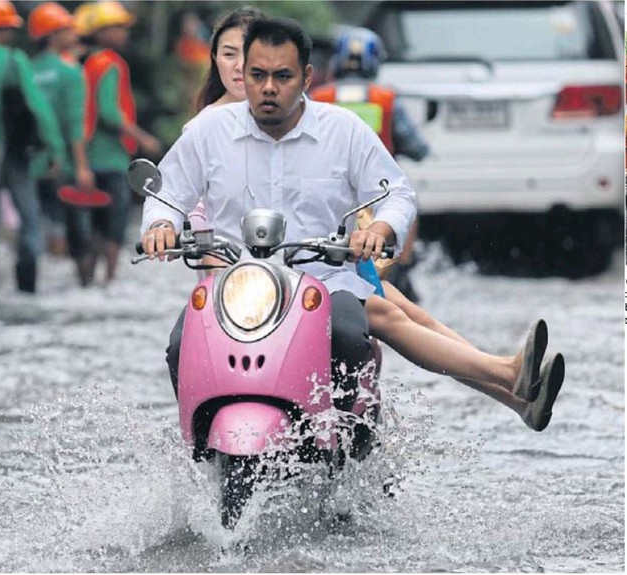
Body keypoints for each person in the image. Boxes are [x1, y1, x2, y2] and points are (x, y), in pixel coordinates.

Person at [140, 17, 565, 432]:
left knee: (351, 332)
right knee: (182, 346)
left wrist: (378, 230)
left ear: (307, 77)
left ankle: (346, 444)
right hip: (235, 288)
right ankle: (198, 448)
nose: (268, 88)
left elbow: (397, 193)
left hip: (325, 282)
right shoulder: (207, 131)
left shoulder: (343, 129)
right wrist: (160, 224)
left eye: (283, 76)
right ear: (241, 74)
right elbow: (168, 194)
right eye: (258, 75)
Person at [310, 27, 429, 302]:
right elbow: (416, 147)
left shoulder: (318, 98)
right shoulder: (386, 98)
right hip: (377, 193)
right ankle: (404, 262)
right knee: (406, 206)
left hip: (330, 195)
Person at [0, 0, 65, 293]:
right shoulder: (13, 60)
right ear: (1, 27)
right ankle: (26, 283)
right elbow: (38, 107)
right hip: (11, 153)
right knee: (28, 215)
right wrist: (55, 150)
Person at [79, 0, 162, 285]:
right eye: (117, 27)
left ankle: (88, 282)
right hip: (111, 158)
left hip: (88, 156)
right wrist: (142, 137)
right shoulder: (111, 63)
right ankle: (109, 281)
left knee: (93, 224)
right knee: (114, 223)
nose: (123, 33)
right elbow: (109, 111)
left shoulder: (89, 62)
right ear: (101, 32)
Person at [28, 2, 97, 286]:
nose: (74, 33)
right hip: (64, 163)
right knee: (77, 226)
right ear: (53, 34)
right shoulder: (71, 73)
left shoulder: (28, 69)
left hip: (30, 163)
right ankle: (83, 285)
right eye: (67, 28)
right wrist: (82, 166)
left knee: (41, 223)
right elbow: (74, 124)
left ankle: (42, 282)